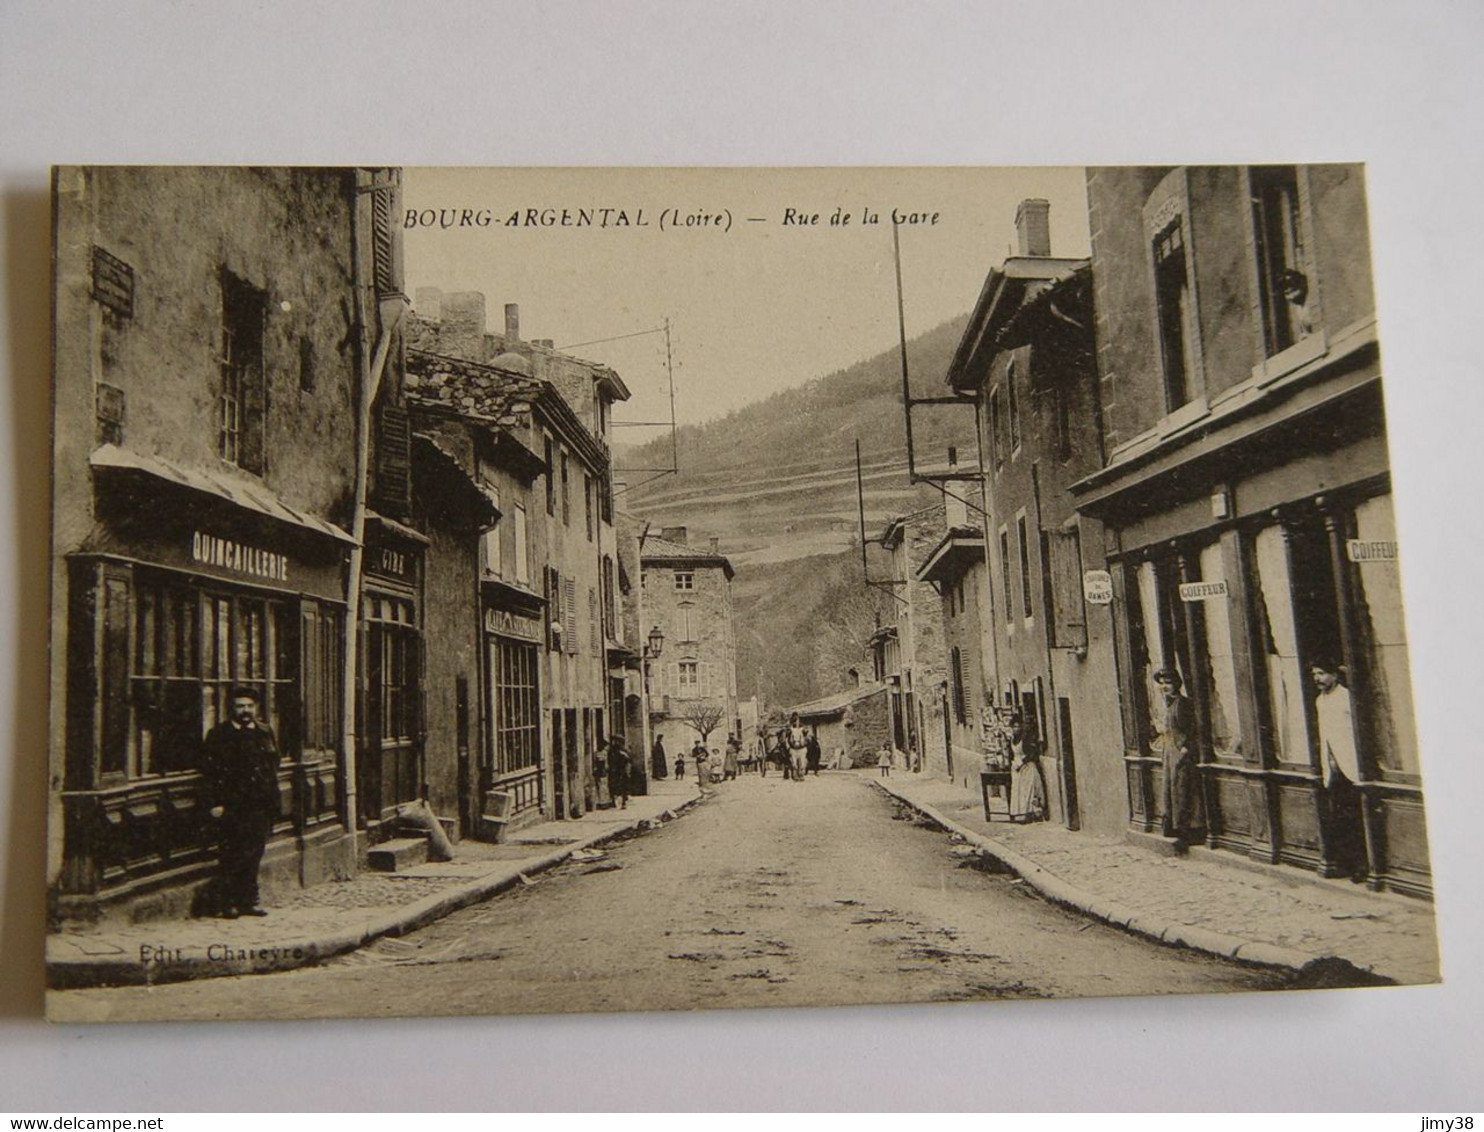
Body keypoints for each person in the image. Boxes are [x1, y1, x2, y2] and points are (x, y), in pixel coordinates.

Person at [199, 687, 281, 918]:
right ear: (231, 709)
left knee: (254, 854)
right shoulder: (219, 735)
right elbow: (210, 773)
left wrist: (272, 802)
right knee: (231, 854)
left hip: (259, 805)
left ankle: (249, 901)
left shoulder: (265, 732)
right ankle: (228, 902)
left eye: (249, 706)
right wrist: (215, 803)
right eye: (240, 706)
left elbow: (274, 765)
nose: (245, 711)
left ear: (255, 708)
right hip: (232, 806)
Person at [1312, 658, 1367, 882]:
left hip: (1350, 766)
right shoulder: (1320, 700)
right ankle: (1346, 863)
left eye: (1322, 673)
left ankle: (1362, 867)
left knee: (1355, 818)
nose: (1318, 679)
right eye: (1315, 674)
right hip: (1333, 769)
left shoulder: (1346, 698)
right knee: (1340, 819)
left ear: (1335, 675)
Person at [1153, 668, 1203, 847]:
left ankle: (1189, 831)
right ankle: (1175, 828)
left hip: (1180, 754)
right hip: (1169, 753)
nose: (1165, 686)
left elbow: (1191, 729)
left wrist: (1185, 749)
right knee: (1172, 789)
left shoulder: (1183, 703)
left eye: (1168, 683)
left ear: (1177, 684)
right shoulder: (1169, 704)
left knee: (1183, 790)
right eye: (1162, 683)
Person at [1006, 715, 1046, 823]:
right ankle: (1020, 814)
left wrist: (1022, 762)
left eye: (1018, 727)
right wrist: (1013, 763)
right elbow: (1011, 754)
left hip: (1027, 768)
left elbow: (1032, 754)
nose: (1016, 729)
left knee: (1029, 791)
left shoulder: (1025, 740)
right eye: (1014, 727)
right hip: (1017, 769)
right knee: (1019, 791)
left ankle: (1030, 814)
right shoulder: (1011, 740)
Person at [606, 733, 633, 810]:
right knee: (613, 786)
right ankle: (613, 801)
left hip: (621, 771)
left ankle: (624, 802)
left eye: (617, 741)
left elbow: (629, 760)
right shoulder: (611, 750)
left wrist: (627, 770)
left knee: (623, 787)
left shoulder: (624, 750)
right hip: (613, 771)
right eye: (614, 741)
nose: (615, 742)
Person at [785, 714, 809, 782]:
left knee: (803, 760)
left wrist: (805, 731)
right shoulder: (790, 727)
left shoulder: (802, 726)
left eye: (798, 720)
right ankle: (794, 774)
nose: (797, 722)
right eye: (795, 721)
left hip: (801, 746)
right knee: (793, 761)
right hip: (793, 747)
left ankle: (801, 774)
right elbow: (787, 736)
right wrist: (788, 746)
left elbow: (805, 732)